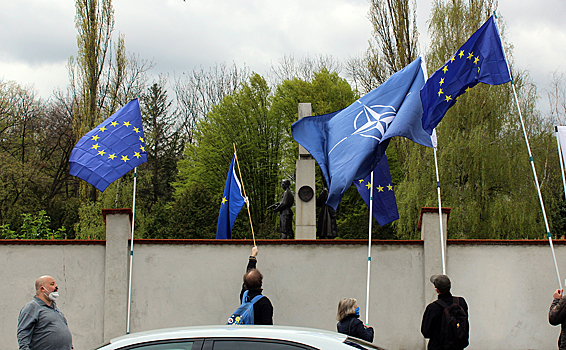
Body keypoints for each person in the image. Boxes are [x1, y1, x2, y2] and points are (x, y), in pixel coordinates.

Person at [17, 275, 73, 350]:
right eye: (52, 284)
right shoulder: (32, 307)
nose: (56, 286)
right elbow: (23, 333)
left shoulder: (55, 308)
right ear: (42, 288)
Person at [421, 274, 469, 350]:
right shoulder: (460, 302)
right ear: (450, 284)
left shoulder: (432, 308)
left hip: (437, 347)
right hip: (457, 347)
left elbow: (426, 332)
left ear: (436, 290)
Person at [239, 246, 273, 325]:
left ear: (245, 284)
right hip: (256, 336)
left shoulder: (244, 296)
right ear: (261, 282)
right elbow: (267, 327)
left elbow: (249, 274)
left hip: (244, 335)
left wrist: (252, 256)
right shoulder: (264, 303)